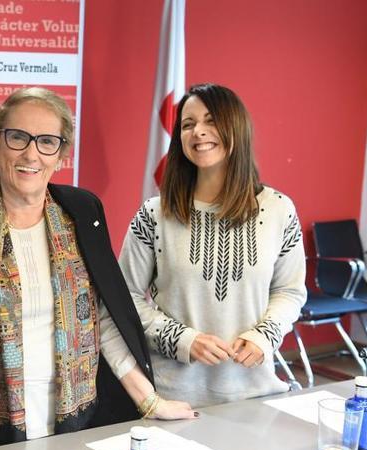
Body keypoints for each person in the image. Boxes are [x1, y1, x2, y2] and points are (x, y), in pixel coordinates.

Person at [0, 87, 195, 450]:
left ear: (62, 154)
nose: (31, 154)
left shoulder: (83, 211)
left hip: (77, 419)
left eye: (47, 142)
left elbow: (100, 318)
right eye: (17, 137)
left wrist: (149, 400)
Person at [118, 83, 307, 408]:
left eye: (210, 121)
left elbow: (290, 291)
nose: (198, 132)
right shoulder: (154, 214)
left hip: (256, 395)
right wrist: (181, 340)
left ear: (237, 128)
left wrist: (265, 335)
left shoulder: (279, 209)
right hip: (172, 400)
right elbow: (125, 299)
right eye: (188, 124)